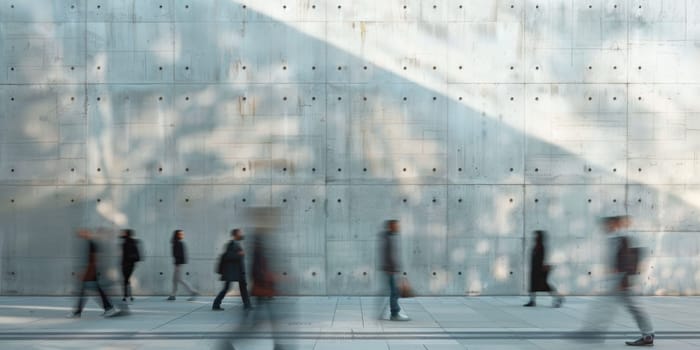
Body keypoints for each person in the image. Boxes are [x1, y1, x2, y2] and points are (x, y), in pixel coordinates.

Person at [578, 216, 654, 346]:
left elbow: (628, 261)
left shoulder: (622, 237)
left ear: (615, 224)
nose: (605, 227)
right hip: (618, 279)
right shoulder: (615, 237)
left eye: (608, 224)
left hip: (621, 279)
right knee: (610, 305)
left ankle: (647, 335)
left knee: (631, 307)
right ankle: (596, 331)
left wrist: (623, 281)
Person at [69, 229, 118, 317]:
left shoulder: (91, 243)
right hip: (91, 273)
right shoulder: (90, 243)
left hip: (91, 273)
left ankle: (109, 308)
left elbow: (93, 260)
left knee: (88, 292)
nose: (80, 234)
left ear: (87, 233)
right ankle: (108, 308)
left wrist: (87, 274)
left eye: (82, 232)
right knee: (87, 292)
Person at [212, 229, 251, 311]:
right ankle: (216, 304)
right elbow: (228, 256)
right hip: (232, 272)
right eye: (239, 233)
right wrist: (238, 254)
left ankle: (247, 305)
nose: (241, 234)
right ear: (235, 235)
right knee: (226, 288)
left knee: (243, 287)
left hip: (238, 271)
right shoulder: (230, 244)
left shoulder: (237, 244)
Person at [523, 230, 564, 307]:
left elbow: (541, 259)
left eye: (536, 236)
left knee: (544, 286)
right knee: (533, 286)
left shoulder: (541, 246)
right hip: (534, 270)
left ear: (540, 237)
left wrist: (540, 268)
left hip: (538, 270)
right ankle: (532, 301)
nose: (535, 237)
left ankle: (558, 297)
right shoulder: (536, 246)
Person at [381, 220, 409, 321]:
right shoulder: (388, 238)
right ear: (391, 226)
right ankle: (394, 313)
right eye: (396, 225)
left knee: (392, 292)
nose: (398, 227)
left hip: (391, 270)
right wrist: (391, 269)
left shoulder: (389, 237)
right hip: (390, 270)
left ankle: (387, 312)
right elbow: (387, 255)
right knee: (394, 293)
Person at [167, 230, 198, 301]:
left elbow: (180, 255)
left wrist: (177, 265)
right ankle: (173, 295)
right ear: (177, 235)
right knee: (175, 280)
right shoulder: (177, 243)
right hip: (178, 264)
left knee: (179, 279)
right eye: (180, 234)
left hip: (178, 264)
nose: (182, 235)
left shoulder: (178, 243)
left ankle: (193, 291)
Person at [120, 229, 141, 302]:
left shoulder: (126, 242)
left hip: (126, 263)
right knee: (127, 279)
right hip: (131, 263)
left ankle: (126, 296)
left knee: (125, 279)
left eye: (124, 233)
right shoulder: (133, 241)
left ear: (127, 234)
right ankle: (129, 296)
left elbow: (124, 254)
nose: (122, 234)